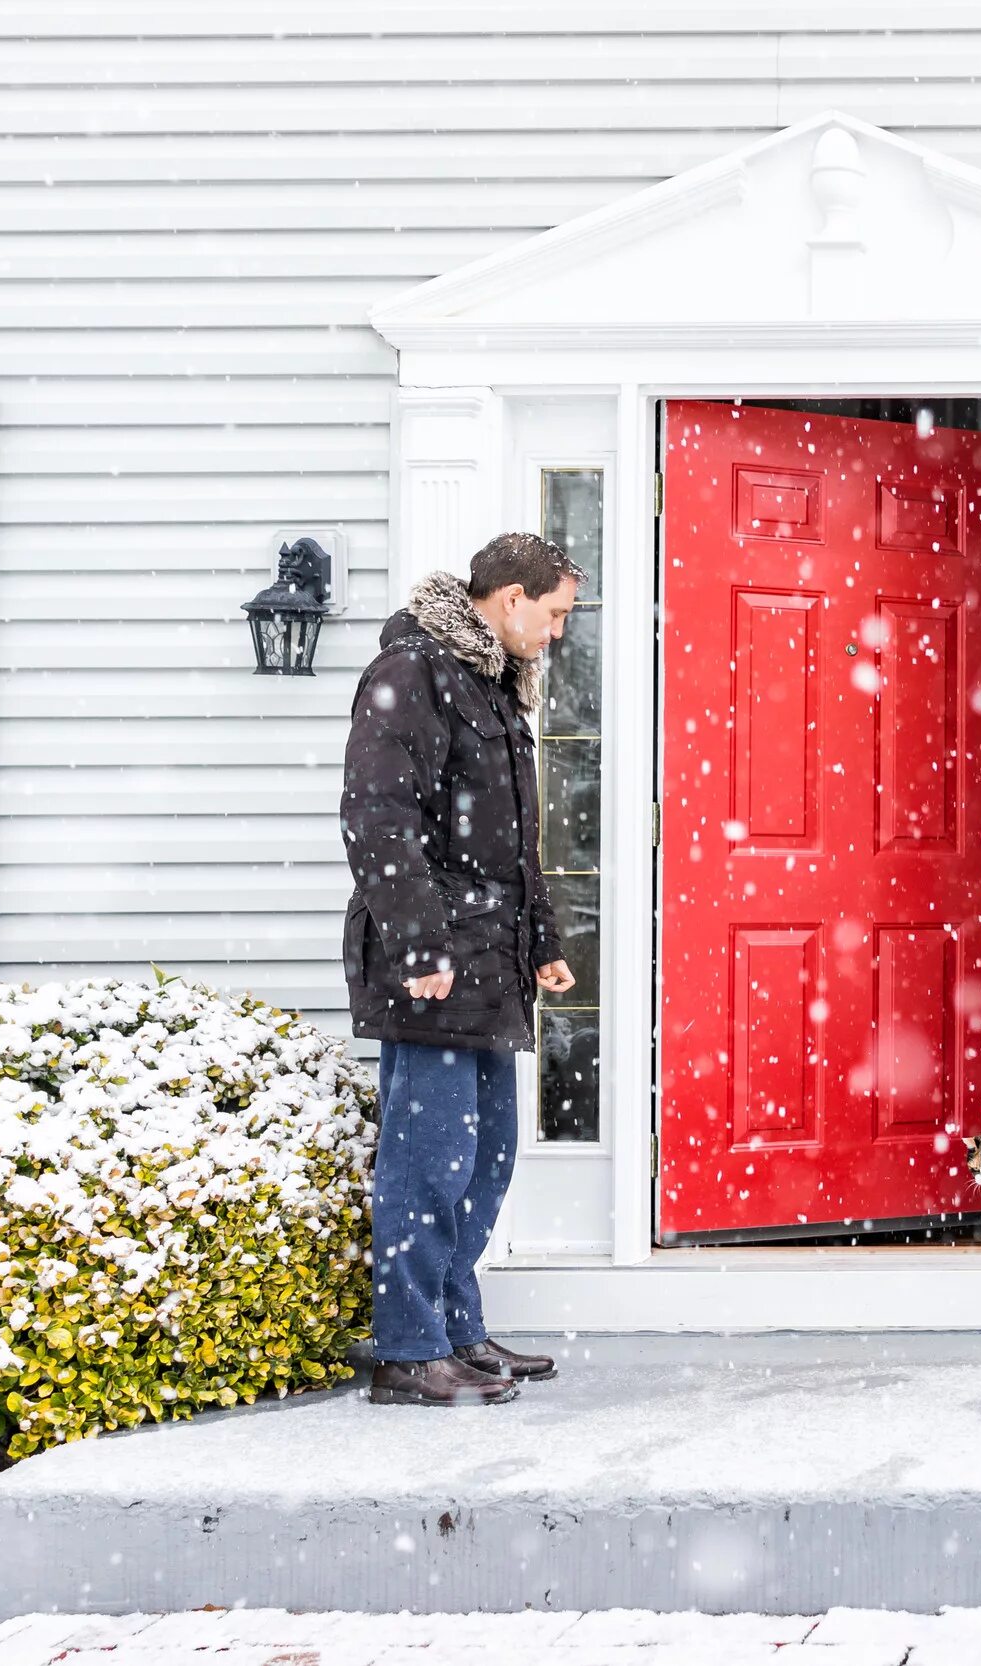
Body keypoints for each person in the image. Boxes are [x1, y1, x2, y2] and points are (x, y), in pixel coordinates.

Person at [339, 532, 580, 1407]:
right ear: (509, 599)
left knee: (486, 1156)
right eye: (553, 614)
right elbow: (379, 817)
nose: (557, 634)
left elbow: (513, 842)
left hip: (488, 961)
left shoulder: (490, 684)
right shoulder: (412, 673)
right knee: (428, 1158)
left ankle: (454, 1330)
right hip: (434, 965)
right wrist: (420, 947)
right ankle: (407, 1352)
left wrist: (542, 940)